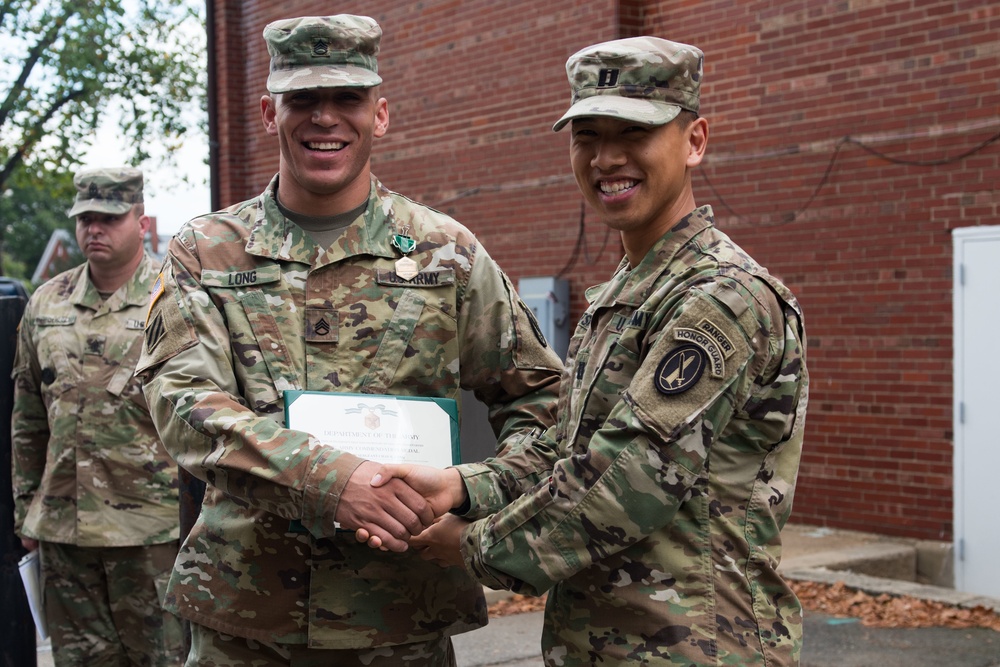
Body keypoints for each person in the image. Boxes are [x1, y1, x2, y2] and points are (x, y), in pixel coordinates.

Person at [133, 14, 563, 667]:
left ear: (380, 114)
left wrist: (469, 487)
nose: (325, 117)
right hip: (247, 624)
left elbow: (546, 406)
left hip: (401, 618)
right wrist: (335, 480)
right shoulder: (207, 250)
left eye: (348, 98)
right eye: (303, 98)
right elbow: (184, 403)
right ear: (268, 113)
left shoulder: (446, 252)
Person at [365, 37, 810, 665]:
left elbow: (626, 479)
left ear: (695, 141)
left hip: (699, 647)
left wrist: (472, 545)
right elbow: (567, 451)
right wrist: (458, 487)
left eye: (634, 133)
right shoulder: (626, 293)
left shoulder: (721, 298)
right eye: (588, 136)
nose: (606, 158)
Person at [11, 167, 184, 666]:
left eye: (109, 218)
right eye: (86, 219)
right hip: (64, 529)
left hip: (152, 529)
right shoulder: (47, 302)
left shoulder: (174, 298)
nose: (94, 229)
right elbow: (27, 415)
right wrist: (26, 511)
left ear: (141, 222)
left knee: (166, 658)